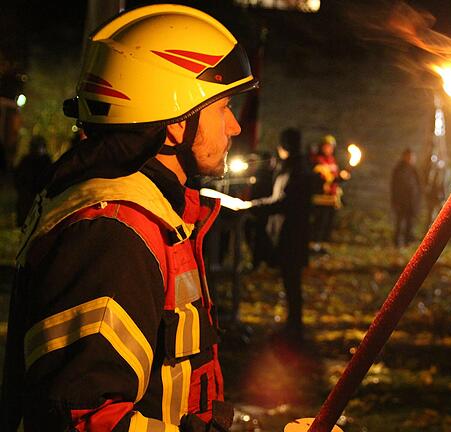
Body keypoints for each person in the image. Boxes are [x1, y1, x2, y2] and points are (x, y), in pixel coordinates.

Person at [1, 5, 257, 431]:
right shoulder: (114, 234)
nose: (234, 126)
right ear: (177, 124)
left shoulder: (147, 214)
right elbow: (84, 420)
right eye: (223, 106)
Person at [249, 128, 312, 341]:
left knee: (292, 280)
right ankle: (293, 322)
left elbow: (285, 201)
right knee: (289, 279)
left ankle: (295, 324)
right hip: (287, 233)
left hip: (291, 235)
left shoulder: (296, 170)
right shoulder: (291, 167)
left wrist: (256, 206)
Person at [310, 134, 349, 249]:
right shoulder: (317, 160)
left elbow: (335, 177)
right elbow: (324, 177)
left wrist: (342, 177)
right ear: (322, 147)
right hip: (321, 198)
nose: (329, 149)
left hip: (332, 198)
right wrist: (338, 178)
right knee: (319, 222)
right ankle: (314, 245)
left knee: (328, 223)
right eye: (327, 146)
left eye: (331, 147)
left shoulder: (332, 160)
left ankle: (323, 245)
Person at [13, 135, 52, 227]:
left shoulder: (45, 161)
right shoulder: (26, 161)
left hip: (39, 194)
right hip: (27, 194)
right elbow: (19, 177)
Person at [391, 148, 422, 247]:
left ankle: (408, 241)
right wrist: (395, 200)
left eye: (412, 157)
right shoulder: (399, 169)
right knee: (400, 222)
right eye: (409, 157)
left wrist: (417, 199)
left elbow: (418, 184)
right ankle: (397, 242)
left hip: (411, 201)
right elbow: (394, 186)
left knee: (410, 222)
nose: (411, 159)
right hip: (401, 201)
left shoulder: (414, 169)